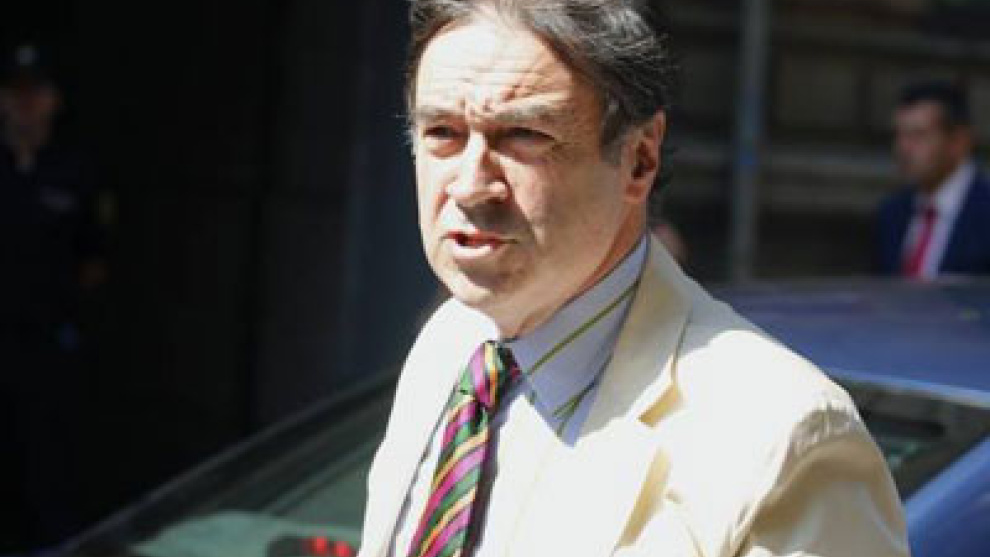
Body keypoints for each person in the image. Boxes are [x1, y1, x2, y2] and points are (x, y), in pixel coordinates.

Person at [360, 2, 909, 556]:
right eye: (443, 133)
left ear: (639, 159)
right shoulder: (451, 346)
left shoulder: (782, 433)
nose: (470, 185)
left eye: (523, 135)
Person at [0, 43, 106, 551]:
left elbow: (93, 261)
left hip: (45, 347)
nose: (25, 103)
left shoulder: (75, 172)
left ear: (54, 100)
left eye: (35, 92)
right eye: (15, 91)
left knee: (48, 469)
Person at [876, 80, 990, 279]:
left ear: (958, 142)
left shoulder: (984, 211)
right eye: (899, 135)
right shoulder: (892, 213)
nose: (903, 148)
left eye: (918, 135)